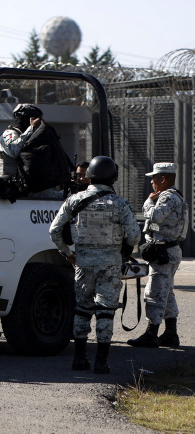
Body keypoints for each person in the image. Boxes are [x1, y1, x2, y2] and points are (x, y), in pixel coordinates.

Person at [50, 155, 140, 373]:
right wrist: (124, 251)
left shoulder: (74, 200)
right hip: (110, 264)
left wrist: (67, 254)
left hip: (82, 263)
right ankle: (101, 362)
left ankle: (79, 359)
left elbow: (54, 230)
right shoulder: (120, 204)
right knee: (105, 312)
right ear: (113, 177)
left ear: (89, 175)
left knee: (82, 311)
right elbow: (135, 235)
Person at [128, 162, 187, 348]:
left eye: (154, 178)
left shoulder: (166, 197)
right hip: (168, 251)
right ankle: (170, 333)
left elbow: (155, 217)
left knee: (154, 293)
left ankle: (151, 334)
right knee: (167, 292)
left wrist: (148, 202)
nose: (152, 182)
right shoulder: (176, 196)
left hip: (164, 252)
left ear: (163, 178)